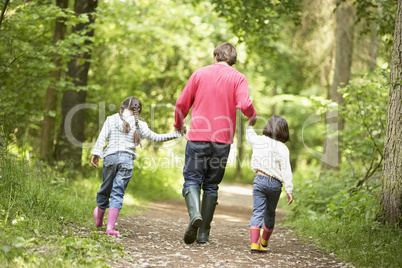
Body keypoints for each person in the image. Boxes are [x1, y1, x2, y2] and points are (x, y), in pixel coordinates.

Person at [174, 42, 257, 244]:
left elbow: (181, 104)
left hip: (197, 137)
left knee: (192, 180)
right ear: (233, 60)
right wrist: (252, 115)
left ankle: (195, 216)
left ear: (216, 56)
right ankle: (203, 234)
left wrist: (179, 123)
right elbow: (245, 104)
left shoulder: (199, 74)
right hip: (222, 141)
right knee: (211, 185)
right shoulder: (239, 78)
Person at [91, 96, 181, 236]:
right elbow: (157, 138)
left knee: (106, 187)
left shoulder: (111, 119)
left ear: (123, 106)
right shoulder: (141, 125)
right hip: (126, 160)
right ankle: (110, 228)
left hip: (110, 157)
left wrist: (96, 154)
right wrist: (177, 133)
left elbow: (102, 137)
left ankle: (99, 216)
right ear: (138, 109)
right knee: (118, 192)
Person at [246, 115, 294, 253]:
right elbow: (286, 170)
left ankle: (255, 244)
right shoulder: (283, 148)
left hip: (259, 180)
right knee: (270, 213)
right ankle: (264, 241)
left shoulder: (259, 141)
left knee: (257, 212)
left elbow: (250, 136)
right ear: (284, 131)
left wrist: (250, 124)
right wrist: (289, 189)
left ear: (268, 126)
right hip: (275, 184)